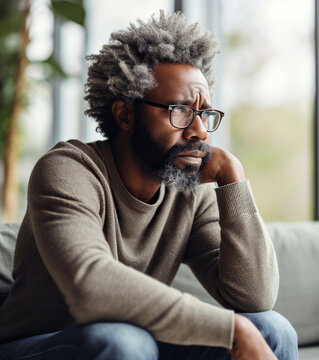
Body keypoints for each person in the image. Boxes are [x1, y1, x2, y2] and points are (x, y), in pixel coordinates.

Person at [0, 10, 297, 360]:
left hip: (134, 339)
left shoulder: (188, 191)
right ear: (125, 114)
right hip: (43, 344)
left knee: (272, 329)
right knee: (123, 342)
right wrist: (229, 330)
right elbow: (92, 287)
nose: (200, 131)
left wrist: (233, 178)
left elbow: (254, 297)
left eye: (204, 114)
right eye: (180, 110)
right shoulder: (68, 170)